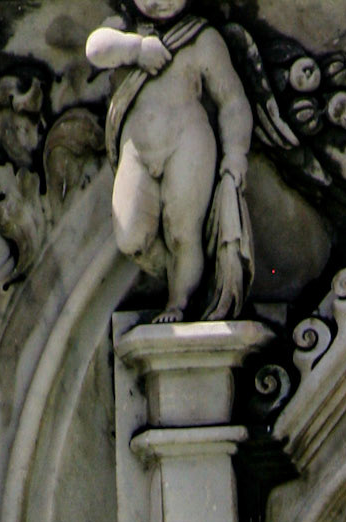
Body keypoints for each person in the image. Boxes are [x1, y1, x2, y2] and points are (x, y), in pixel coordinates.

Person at [86, 0, 253, 321]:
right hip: (137, 147)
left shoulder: (201, 38)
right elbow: (95, 48)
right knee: (130, 237)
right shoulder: (122, 31)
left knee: (182, 230)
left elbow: (232, 100)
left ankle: (178, 300)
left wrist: (235, 155)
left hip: (188, 141)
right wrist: (136, 50)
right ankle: (183, 271)